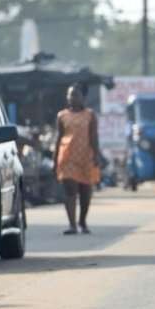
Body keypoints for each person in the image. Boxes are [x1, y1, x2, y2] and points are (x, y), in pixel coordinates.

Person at [53, 83, 101, 235]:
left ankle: (82, 221)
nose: (72, 98)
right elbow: (59, 137)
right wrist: (55, 159)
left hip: (86, 157)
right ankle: (72, 224)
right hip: (67, 158)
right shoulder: (62, 116)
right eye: (70, 95)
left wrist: (97, 155)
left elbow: (93, 136)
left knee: (85, 192)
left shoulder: (90, 115)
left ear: (83, 97)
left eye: (75, 94)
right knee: (70, 191)